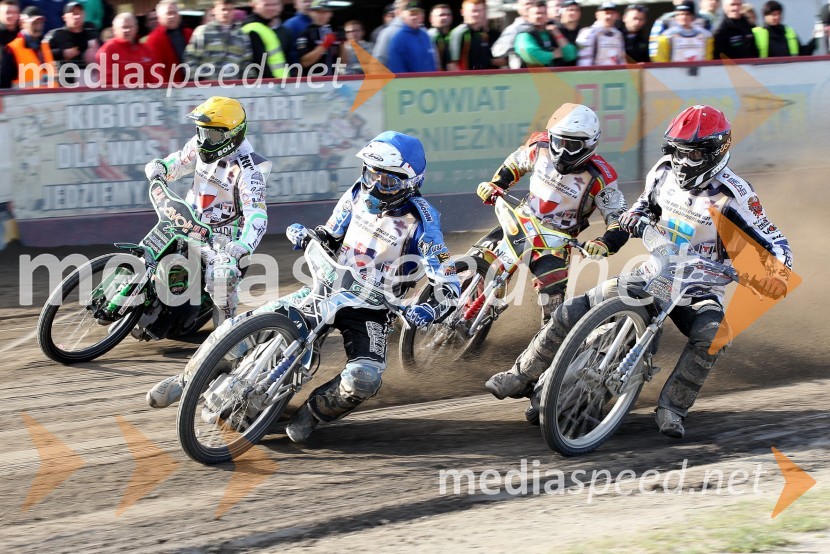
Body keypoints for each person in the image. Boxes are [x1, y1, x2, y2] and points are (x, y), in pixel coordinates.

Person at [487, 105, 793, 436]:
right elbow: (644, 203)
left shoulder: (737, 195)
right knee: (573, 309)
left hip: (700, 287)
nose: (682, 161)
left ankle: (673, 407)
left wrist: (776, 274)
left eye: (692, 153)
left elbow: (775, 242)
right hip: (654, 270)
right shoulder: (663, 170)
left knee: (712, 336)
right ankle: (521, 374)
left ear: (715, 151)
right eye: (677, 150)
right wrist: (633, 216)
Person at [282, 131, 461, 442]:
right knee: (260, 320)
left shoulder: (425, 224)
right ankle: (189, 376)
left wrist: (429, 309)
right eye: (370, 174)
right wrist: (307, 235)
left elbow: (448, 282)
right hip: (327, 285)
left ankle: (312, 413)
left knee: (364, 377)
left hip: (374, 308)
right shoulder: (355, 193)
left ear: (410, 182)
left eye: (388, 181)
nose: (375, 186)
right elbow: (330, 234)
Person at [146, 96, 272, 409]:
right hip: (189, 219)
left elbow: (258, 215)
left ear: (232, 134)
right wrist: (162, 166)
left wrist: (242, 246)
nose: (204, 139)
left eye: (212, 134)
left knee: (222, 279)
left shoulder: (250, 170)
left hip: (224, 239)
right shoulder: (201, 144)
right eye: (202, 131)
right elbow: (179, 162)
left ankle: (227, 342)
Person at [475, 103, 629, 325]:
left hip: (554, 242)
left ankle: (549, 340)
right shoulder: (539, 147)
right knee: (480, 258)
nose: (563, 150)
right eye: (558, 141)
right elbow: (515, 164)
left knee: (552, 293)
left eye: (572, 145)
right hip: (520, 220)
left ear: (590, 144)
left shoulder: (602, 178)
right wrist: (496, 184)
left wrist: (605, 243)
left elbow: (619, 219)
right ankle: (453, 303)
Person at [184, 0, 251, 81]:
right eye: (223, 9)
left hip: (233, 87)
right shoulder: (203, 31)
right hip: (207, 86)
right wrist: (199, 79)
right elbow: (190, 58)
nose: (226, 13)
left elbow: (247, 62)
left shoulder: (241, 35)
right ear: (214, 10)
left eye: (230, 9)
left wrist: (249, 81)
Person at [0, 5, 55, 88]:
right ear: (22, 23)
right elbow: (4, 85)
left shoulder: (45, 46)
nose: (38, 27)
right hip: (24, 100)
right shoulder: (11, 49)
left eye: (41, 23)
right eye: (34, 23)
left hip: (51, 99)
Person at [45, 1, 99, 85]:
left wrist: (97, 51)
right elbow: (43, 53)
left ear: (84, 15)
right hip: (64, 84)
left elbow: (106, 51)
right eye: (73, 14)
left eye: (79, 13)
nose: (77, 17)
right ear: (64, 17)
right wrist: (62, 53)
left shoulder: (92, 34)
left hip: (89, 82)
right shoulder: (56, 34)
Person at [96, 12, 154, 85]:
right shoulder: (107, 50)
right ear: (114, 30)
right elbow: (107, 82)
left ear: (136, 28)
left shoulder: (146, 49)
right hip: (120, 95)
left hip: (146, 94)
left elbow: (156, 78)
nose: (127, 30)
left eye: (130, 27)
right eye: (123, 27)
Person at [514, 0, 576, 67]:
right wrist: (556, 54)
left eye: (543, 13)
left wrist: (557, 34)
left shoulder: (557, 30)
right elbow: (532, 56)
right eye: (536, 13)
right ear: (529, 17)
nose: (539, 16)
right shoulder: (524, 35)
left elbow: (570, 55)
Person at [242, 0, 293, 80]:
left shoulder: (263, 26)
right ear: (254, 5)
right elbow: (260, 64)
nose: (271, 8)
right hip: (271, 86)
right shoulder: (253, 29)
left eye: (274, 4)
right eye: (266, 5)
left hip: (279, 84)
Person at [144, 0, 192, 82]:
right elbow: (156, 70)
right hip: (170, 88)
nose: (172, 16)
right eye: (168, 13)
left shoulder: (189, 33)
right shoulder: (154, 40)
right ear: (159, 17)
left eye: (174, 13)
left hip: (194, 85)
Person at [386, 1, 436, 74]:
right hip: (409, 84)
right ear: (403, 16)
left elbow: (432, 63)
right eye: (411, 14)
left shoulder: (425, 35)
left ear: (422, 17)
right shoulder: (398, 39)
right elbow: (397, 69)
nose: (414, 17)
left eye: (417, 14)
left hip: (429, 82)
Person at [296, 0, 340, 75]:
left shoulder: (335, 32)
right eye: (318, 12)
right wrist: (324, 45)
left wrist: (342, 44)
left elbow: (344, 62)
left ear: (330, 14)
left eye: (325, 12)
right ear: (311, 13)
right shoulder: (305, 34)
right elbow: (304, 62)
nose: (321, 15)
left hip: (333, 80)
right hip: (312, 81)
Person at [576, 1, 625, 66]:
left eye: (612, 13)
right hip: (595, 74)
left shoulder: (618, 35)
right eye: (606, 13)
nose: (609, 16)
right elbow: (584, 61)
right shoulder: (588, 33)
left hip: (615, 74)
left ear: (617, 15)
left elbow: (621, 59)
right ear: (597, 15)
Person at [490, 0, 532, 69]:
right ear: (519, 7)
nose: (530, 7)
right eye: (527, 4)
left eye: (533, 4)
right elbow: (497, 51)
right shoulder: (514, 29)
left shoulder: (546, 26)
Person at [427, 3, 452, 70]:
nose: (445, 17)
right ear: (431, 19)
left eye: (448, 15)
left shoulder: (454, 36)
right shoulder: (427, 37)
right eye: (441, 15)